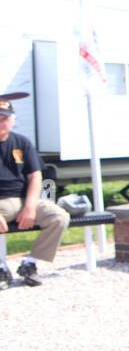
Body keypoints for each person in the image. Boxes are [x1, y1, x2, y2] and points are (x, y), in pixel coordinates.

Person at [0, 94, 69, 288]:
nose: (1, 123)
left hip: (24, 199)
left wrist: (30, 206)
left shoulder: (22, 143)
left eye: (5, 119)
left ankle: (30, 264)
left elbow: (35, 176)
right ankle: (1, 268)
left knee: (59, 217)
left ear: (13, 120)